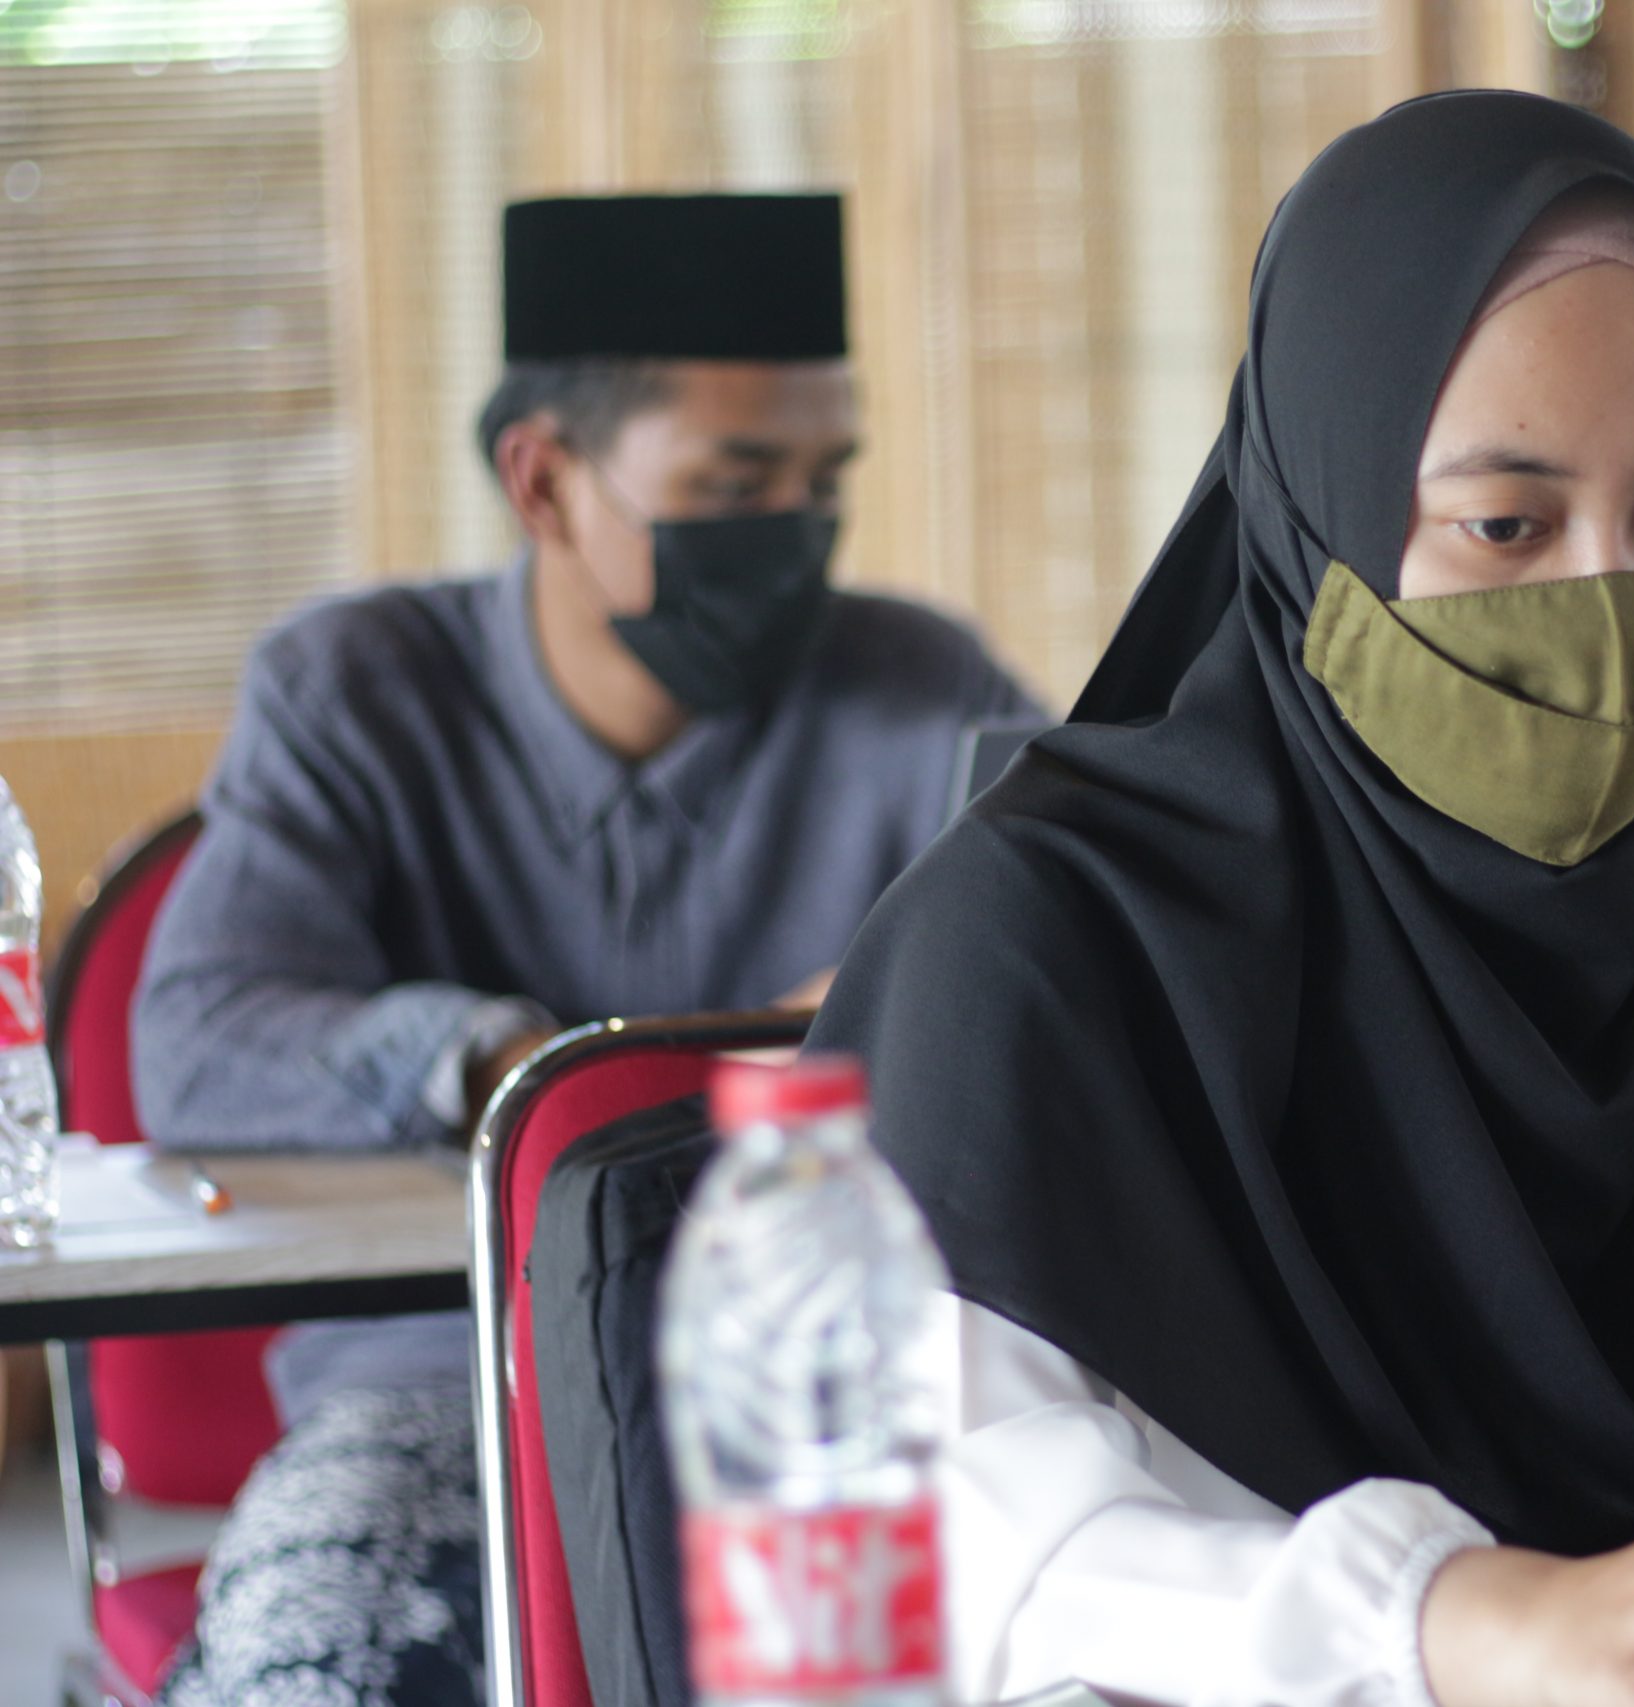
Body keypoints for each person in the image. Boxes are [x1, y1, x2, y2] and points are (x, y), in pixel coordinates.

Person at [809, 91, 1634, 1707]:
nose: (1613, 607)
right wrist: (1450, 1622)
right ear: (1319, 522)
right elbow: (922, 1546)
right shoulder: (1054, 936)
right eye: (1504, 525)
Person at [134, 192, 1036, 1706]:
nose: (793, 534)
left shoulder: (925, 690)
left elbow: (1080, 997)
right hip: (442, 1387)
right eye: (736, 480)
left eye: (827, 482)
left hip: (828, 1399)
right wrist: (527, 1067)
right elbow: (201, 1033)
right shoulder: (352, 691)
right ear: (544, 481)